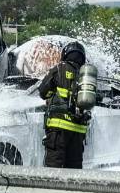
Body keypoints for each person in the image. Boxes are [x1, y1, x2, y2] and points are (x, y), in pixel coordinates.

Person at [38, 41, 90, 169]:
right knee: (74, 170)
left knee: (53, 167)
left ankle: (52, 189)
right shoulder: (86, 76)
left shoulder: (59, 68)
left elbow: (43, 91)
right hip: (78, 130)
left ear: (65, 54)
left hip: (58, 128)